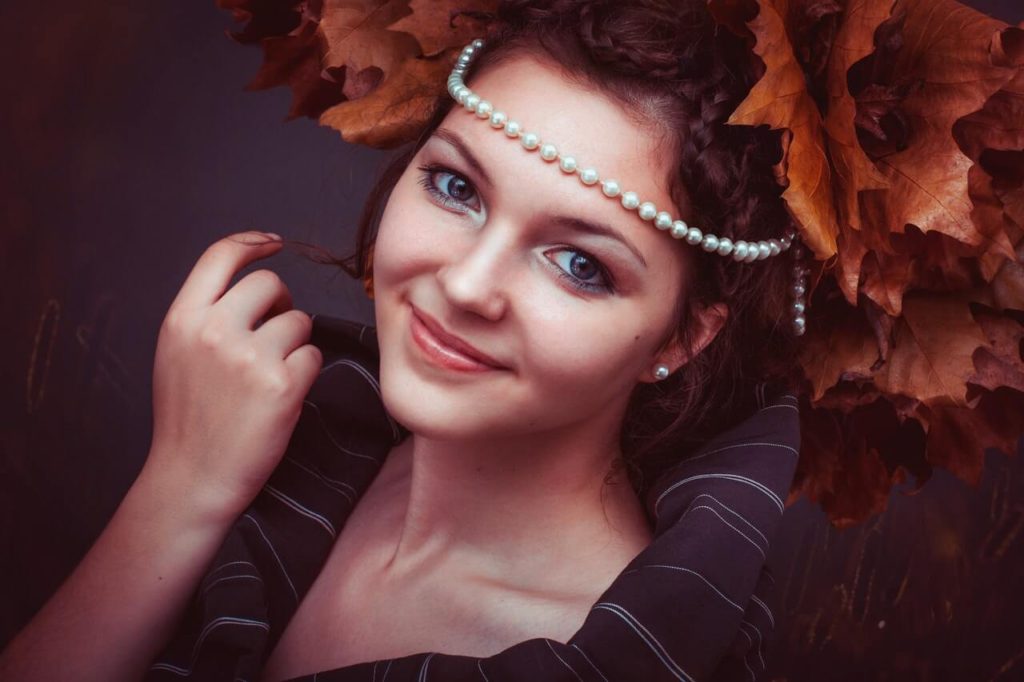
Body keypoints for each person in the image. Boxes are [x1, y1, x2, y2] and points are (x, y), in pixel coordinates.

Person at [0, 1, 804, 680]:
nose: (464, 284)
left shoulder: (598, 653)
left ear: (685, 339)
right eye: (456, 187)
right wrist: (180, 488)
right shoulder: (290, 441)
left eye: (580, 265)